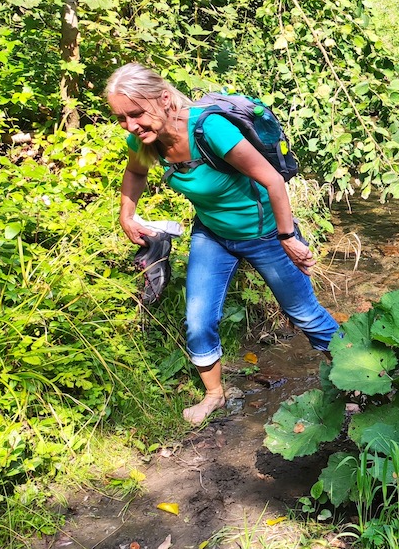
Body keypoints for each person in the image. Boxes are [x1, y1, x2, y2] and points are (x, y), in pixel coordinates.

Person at [105, 63, 339, 424]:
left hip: (264, 234)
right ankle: (214, 394)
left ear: (165, 100)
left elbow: (273, 181)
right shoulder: (142, 140)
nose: (130, 125)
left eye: (135, 114)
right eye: (121, 118)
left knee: (304, 314)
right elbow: (136, 172)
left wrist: (288, 237)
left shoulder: (209, 129)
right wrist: (126, 214)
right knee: (198, 320)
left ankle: (353, 379)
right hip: (212, 234)